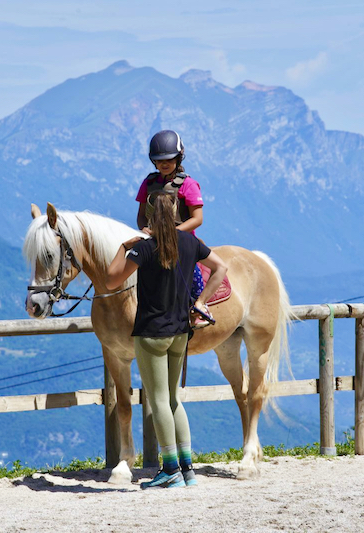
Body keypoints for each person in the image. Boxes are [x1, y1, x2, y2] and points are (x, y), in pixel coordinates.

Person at [107, 191, 228, 488]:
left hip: (151, 333)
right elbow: (221, 268)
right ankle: (188, 470)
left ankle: (170, 468)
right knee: (174, 400)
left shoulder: (144, 248)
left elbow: (111, 280)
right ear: (176, 212)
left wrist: (123, 246)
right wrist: (200, 302)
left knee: (158, 400)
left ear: (149, 216)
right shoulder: (190, 242)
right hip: (180, 331)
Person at [135, 130, 211, 327]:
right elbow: (142, 214)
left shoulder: (189, 184)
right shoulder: (149, 183)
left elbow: (197, 218)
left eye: (169, 159)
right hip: (153, 238)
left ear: (178, 158)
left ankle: (198, 307)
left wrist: (171, 233)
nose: (164, 163)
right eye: (160, 160)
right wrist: (143, 228)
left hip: (182, 240)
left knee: (191, 271)